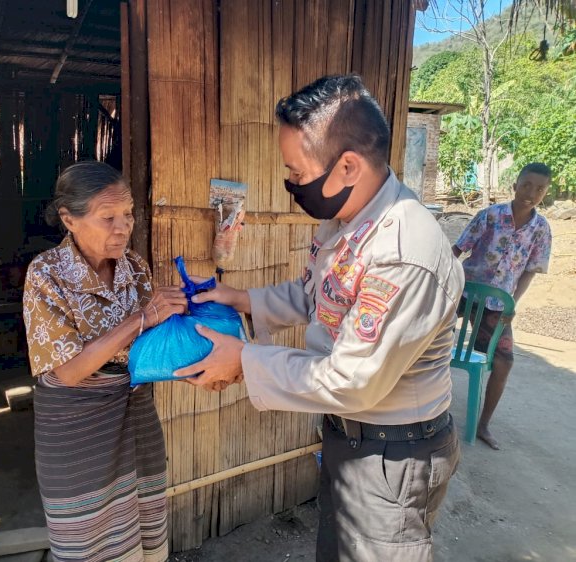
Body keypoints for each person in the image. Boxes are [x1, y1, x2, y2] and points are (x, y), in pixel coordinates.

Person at [174, 75, 465, 561]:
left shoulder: (402, 251)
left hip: (391, 453)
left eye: (298, 172)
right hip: (350, 438)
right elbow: (317, 296)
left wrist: (245, 360)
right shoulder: (346, 221)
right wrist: (240, 298)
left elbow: (352, 382)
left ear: (347, 165)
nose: (290, 183)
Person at [23, 161, 186, 562]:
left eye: (128, 214)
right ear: (69, 219)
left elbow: (152, 346)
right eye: (108, 216)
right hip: (75, 423)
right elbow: (70, 370)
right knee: (87, 531)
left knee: (144, 515)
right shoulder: (46, 274)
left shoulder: (135, 267)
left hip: (134, 408)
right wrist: (142, 318)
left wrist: (196, 347)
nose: (123, 226)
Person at [452, 163, 552, 450]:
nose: (531, 193)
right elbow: (458, 250)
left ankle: (483, 424)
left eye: (539, 189)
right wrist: (440, 282)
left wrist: (513, 303)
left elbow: (531, 269)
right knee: (421, 334)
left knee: (504, 361)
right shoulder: (489, 217)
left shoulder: (541, 230)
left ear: (545, 193)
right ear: (515, 185)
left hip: (497, 306)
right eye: (526, 185)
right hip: (463, 295)